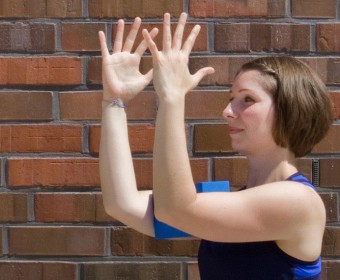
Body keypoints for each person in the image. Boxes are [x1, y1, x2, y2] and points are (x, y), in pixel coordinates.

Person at [99, 12, 332, 280]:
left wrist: (173, 98)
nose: (228, 111)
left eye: (247, 100)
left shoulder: (299, 201)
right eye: (231, 98)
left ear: (290, 110)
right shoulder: (226, 200)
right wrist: (114, 102)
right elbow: (122, 203)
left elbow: (176, 209)